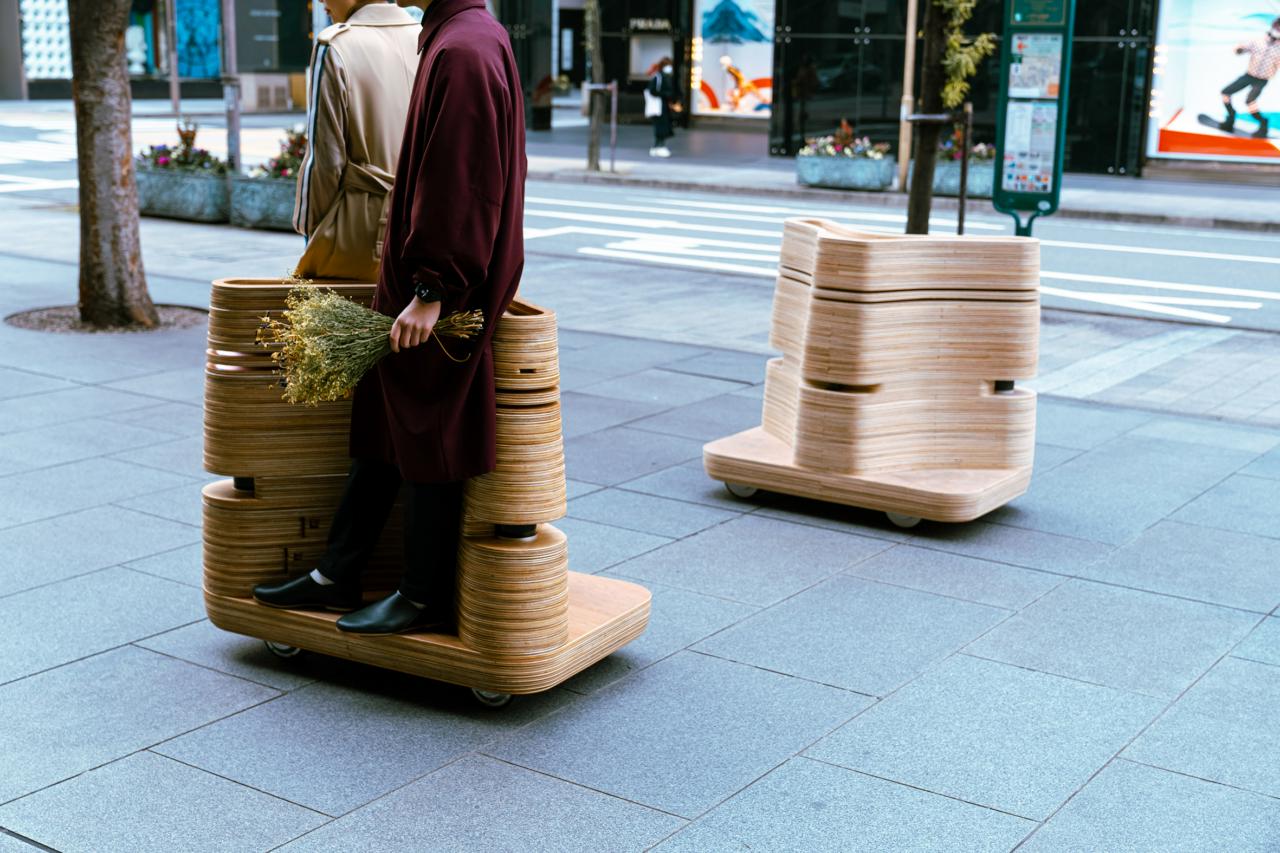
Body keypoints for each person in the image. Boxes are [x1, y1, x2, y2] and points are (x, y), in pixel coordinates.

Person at [254, 0, 527, 636]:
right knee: (386, 415)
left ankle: (423, 593)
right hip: (425, 277)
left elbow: (462, 179)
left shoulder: (463, 47)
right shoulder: (463, 36)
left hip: (441, 286)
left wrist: (434, 287)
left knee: (428, 421)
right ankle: (337, 574)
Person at [291, 0, 420, 281]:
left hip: (361, 229)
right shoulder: (425, 35)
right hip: (425, 222)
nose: (321, 2)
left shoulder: (335, 45)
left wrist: (312, 228)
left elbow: (325, 161)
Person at [1219, 16, 1280, 139]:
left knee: (1250, 102)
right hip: (1249, 75)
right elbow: (1241, 48)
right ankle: (1230, 117)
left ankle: (1263, 124)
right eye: (1277, 27)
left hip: (1262, 79)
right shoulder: (1259, 41)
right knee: (1225, 93)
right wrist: (1239, 49)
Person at [646, 57, 676, 158]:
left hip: (663, 106)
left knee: (660, 126)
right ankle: (659, 147)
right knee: (661, 126)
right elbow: (652, 90)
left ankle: (657, 147)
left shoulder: (664, 76)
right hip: (659, 106)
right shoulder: (659, 77)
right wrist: (665, 94)